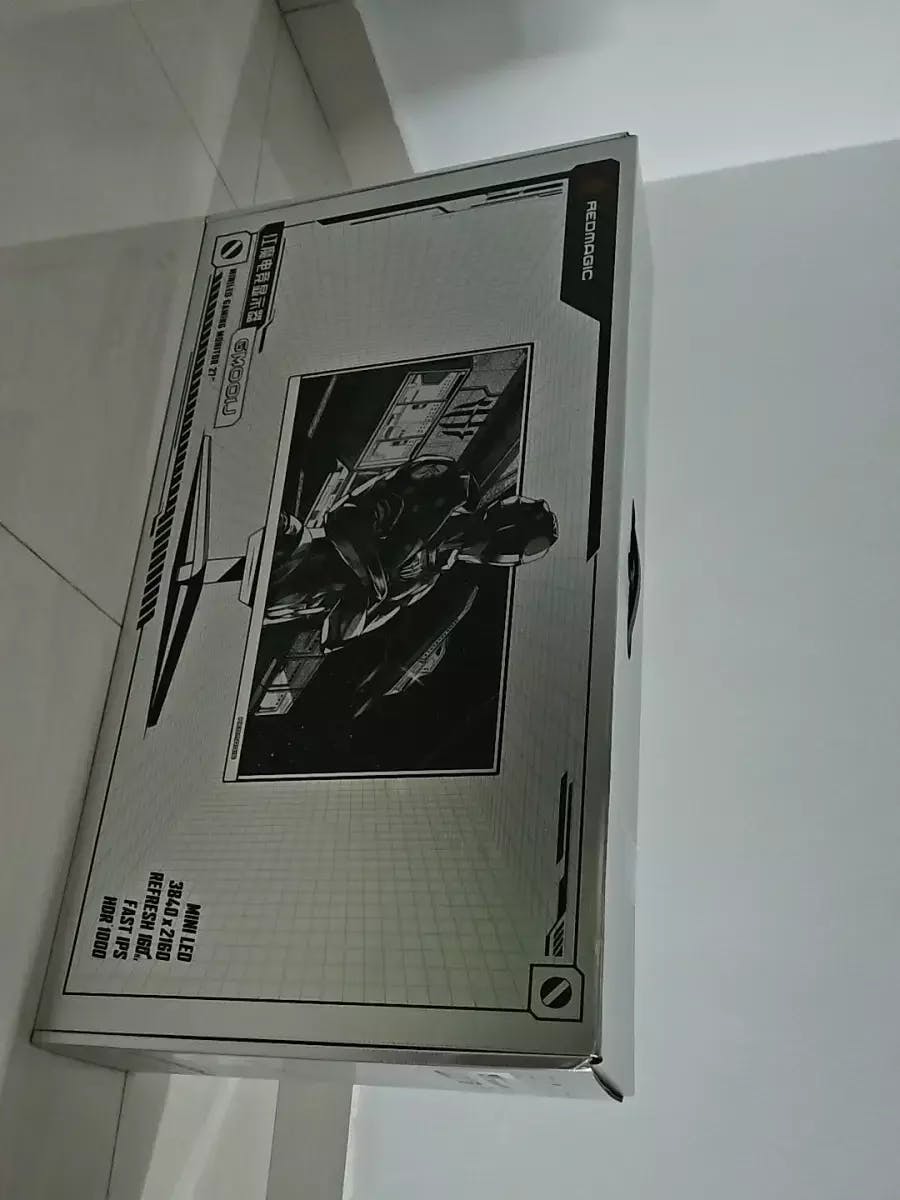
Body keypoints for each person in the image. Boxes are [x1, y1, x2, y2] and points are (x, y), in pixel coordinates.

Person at [264, 457, 558, 649]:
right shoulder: (446, 484)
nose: (473, 548)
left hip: (290, 603)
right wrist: (375, 579)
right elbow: (348, 515)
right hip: (295, 549)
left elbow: (344, 631)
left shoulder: (427, 579)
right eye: (490, 543)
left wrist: (371, 592)